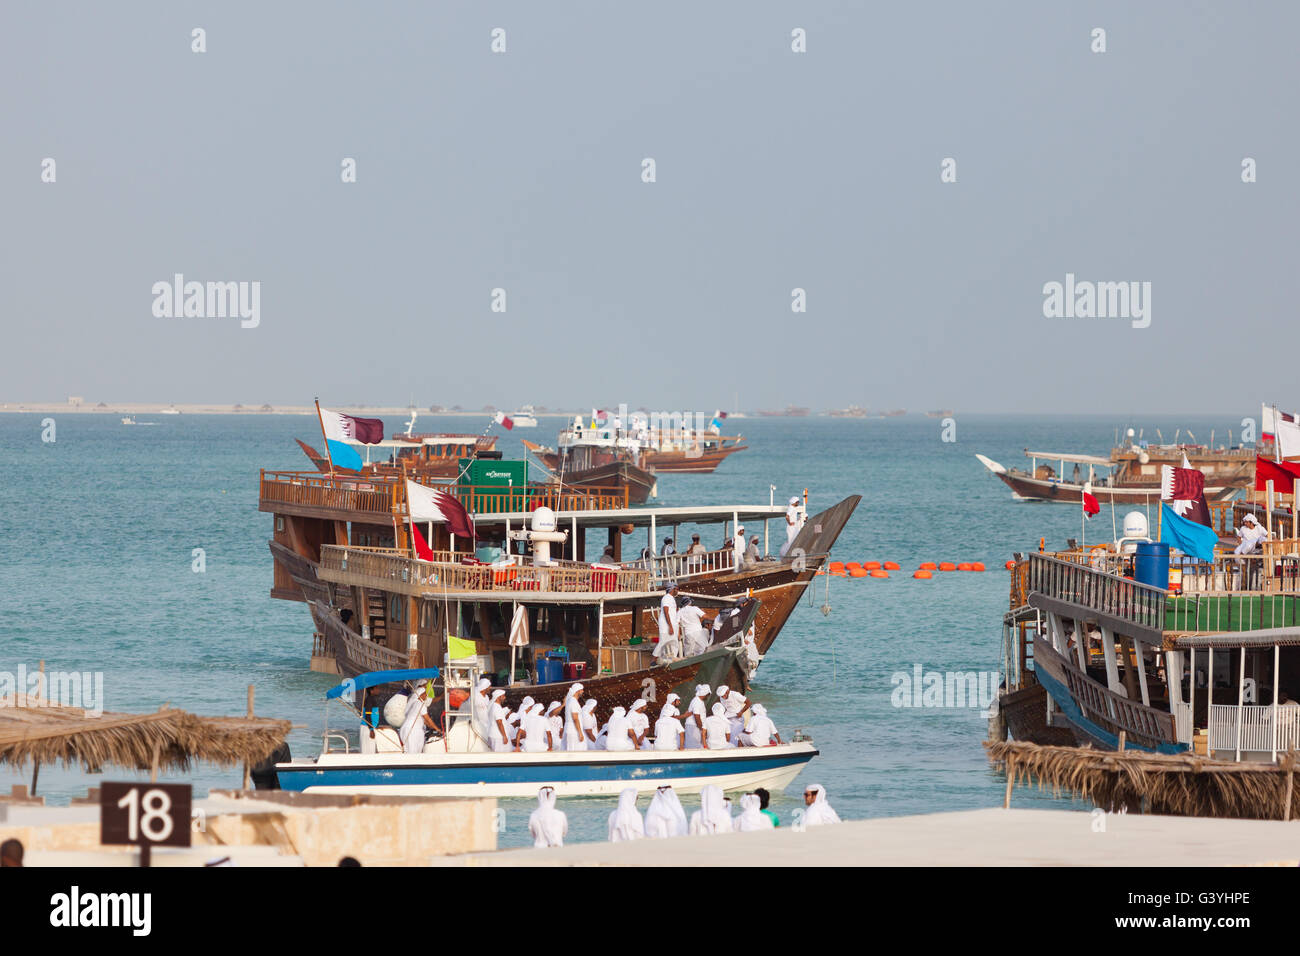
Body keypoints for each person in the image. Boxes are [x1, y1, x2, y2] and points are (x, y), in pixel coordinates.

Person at [398, 681, 433, 754]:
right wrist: (437, 729)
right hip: (411, 731)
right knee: (412, 753)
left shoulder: (415, 702)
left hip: (412, 730)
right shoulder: (419, 703)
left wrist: (431, 727)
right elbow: (428, 719)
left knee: (415, 753)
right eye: (425, 695)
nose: (426, 697)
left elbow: (424, 720)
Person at [655, 584, 681, 661]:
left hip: (673, 625)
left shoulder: (672, 599)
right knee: (663, 642)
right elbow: (666, 612)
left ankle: (672, 660)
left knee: (674, 643)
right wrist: (670, 626)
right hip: (667, 626)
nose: (677, 590)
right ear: (672, 589)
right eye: (676, 589)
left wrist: (677, 630)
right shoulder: (666, 598)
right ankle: (653, 661)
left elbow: (675, 615)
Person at [684, 684, 710, 749]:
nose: (708, 696)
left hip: (696, 726)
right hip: (693, 726)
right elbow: (697, 716)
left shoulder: (699, 701)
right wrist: (702, 729)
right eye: (708, 695)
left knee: (696, 746)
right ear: (705, 694)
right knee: (693, 747)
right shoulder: (696, 701)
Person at [562, 683, 586, 751]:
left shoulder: (571, 701)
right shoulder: (573, 702)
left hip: (571, 729)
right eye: (582, 690)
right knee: (574, 751)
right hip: (573, 731)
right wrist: (580, 733)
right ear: (578, 691)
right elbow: (575, 718)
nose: (583, 691)